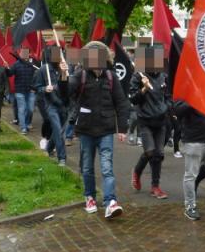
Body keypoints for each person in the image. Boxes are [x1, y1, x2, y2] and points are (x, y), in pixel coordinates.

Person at [69, 41, 131, 219]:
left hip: (105, 130)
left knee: (107, 168)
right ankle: (90, 197)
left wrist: (122, 128)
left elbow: (121, 103)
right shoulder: (80, 76)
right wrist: (65, 76)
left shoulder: (111, 78)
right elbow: (66, 93)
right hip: (86, 130)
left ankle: (111, 201)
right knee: (87, 167)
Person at [129, 45, 171, 199]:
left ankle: (155, 187)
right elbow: (132, 99)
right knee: (150, 151)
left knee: (159, 154)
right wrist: (144, 89)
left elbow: (168, 96)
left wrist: (166, 108)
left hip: (160, 122)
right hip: (145, 121)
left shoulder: (163, 76)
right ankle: (137, 172)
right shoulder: (138, 76)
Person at [33, 45, 69, 166]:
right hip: (51, 105)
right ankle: (62, 158)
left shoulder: (65, 68)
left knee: (57, 132)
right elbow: (36, 88)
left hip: (64, 105)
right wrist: (44, 89)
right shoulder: (44, 70)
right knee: (58, 131)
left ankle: (49, 148)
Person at [10, 47, 37, 135]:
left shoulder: (32, 65)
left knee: (30, 109)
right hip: (19, 91)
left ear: (29, 54)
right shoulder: (16, 64)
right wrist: (7, 68)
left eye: (25, 52)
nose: (23, 54)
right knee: (22, 109)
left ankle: (27, 122)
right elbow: (9, 74)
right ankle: (23, 127)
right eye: (22, 52)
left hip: (31, 91)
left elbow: (36, 77)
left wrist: (34, 88)